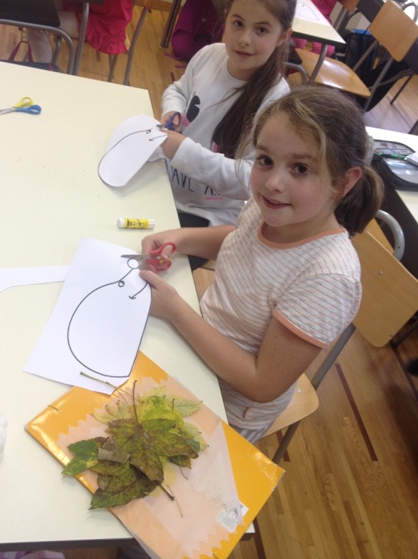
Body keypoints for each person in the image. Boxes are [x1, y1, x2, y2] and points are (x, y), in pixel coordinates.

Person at [139, 86, 384, 443]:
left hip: (223, 407)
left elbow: (260, 384)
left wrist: (176, 310)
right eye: (265, 160)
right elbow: (240, 240)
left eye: (300, 168)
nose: (272, 182)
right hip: (195, 346)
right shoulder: (270, 208)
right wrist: (181, 238)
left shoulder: (328, 278)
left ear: (343, 183)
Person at [157, 0, 297, 268]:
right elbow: (178, 90)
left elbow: (252, 178)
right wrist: (173, 110)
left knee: (149, 267)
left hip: (208, 217)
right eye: (237, 23)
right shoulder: (209, 55)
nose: (244, 39)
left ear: (283, 36)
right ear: (226, 17)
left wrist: (182, 151)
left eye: (261, 30)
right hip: (163, 184)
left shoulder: (276, 101)